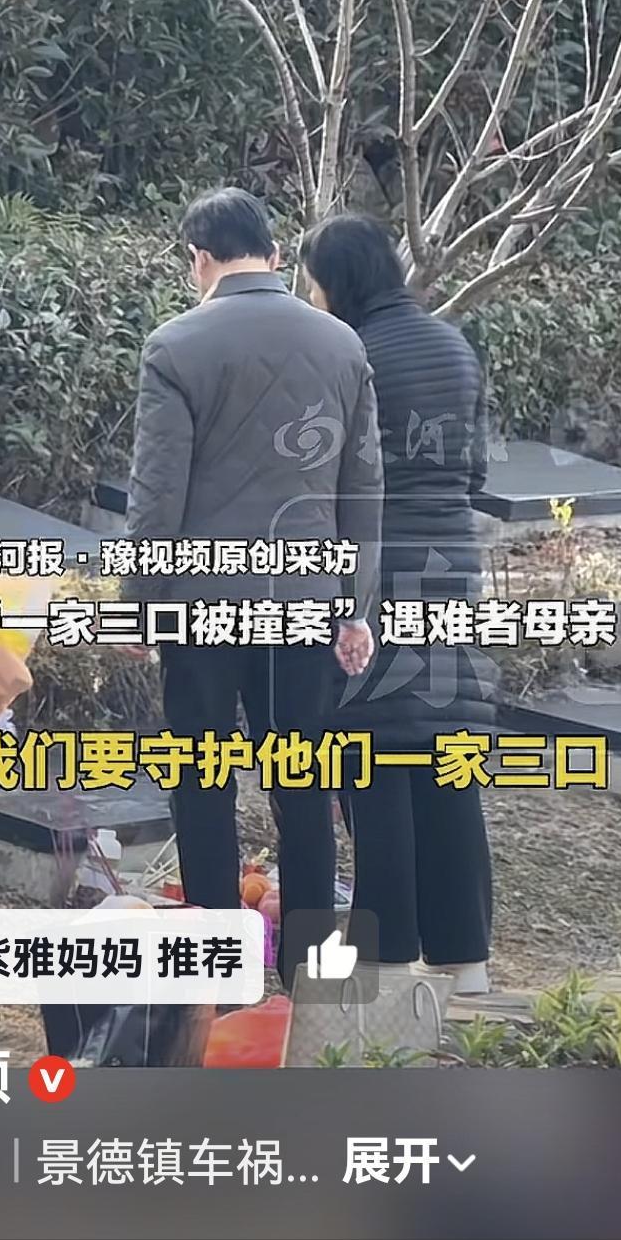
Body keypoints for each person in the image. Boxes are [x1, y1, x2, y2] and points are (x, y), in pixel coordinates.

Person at [126, 188, 382, 946]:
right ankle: (308, 964)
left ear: (198, 258)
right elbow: (362, 487)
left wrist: (139, 605)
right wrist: (355, 606)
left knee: (201, 777)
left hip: (202, 603)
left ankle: (215, 962)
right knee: (302, 782)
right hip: (304, 598)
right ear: (273, 255)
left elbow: (157, 494)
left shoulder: (174, 346)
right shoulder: (342, 345)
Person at [301, 213, 495, 994]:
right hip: (450, 564)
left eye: (314, 282)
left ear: (337, 280)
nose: (311, 297)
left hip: (376, 569)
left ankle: (387, 953)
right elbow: (474, 469)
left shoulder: (348, 351)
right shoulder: (453, 343)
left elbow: (327, 476)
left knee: (375, 751)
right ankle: (466, 958)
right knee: (446, 751)